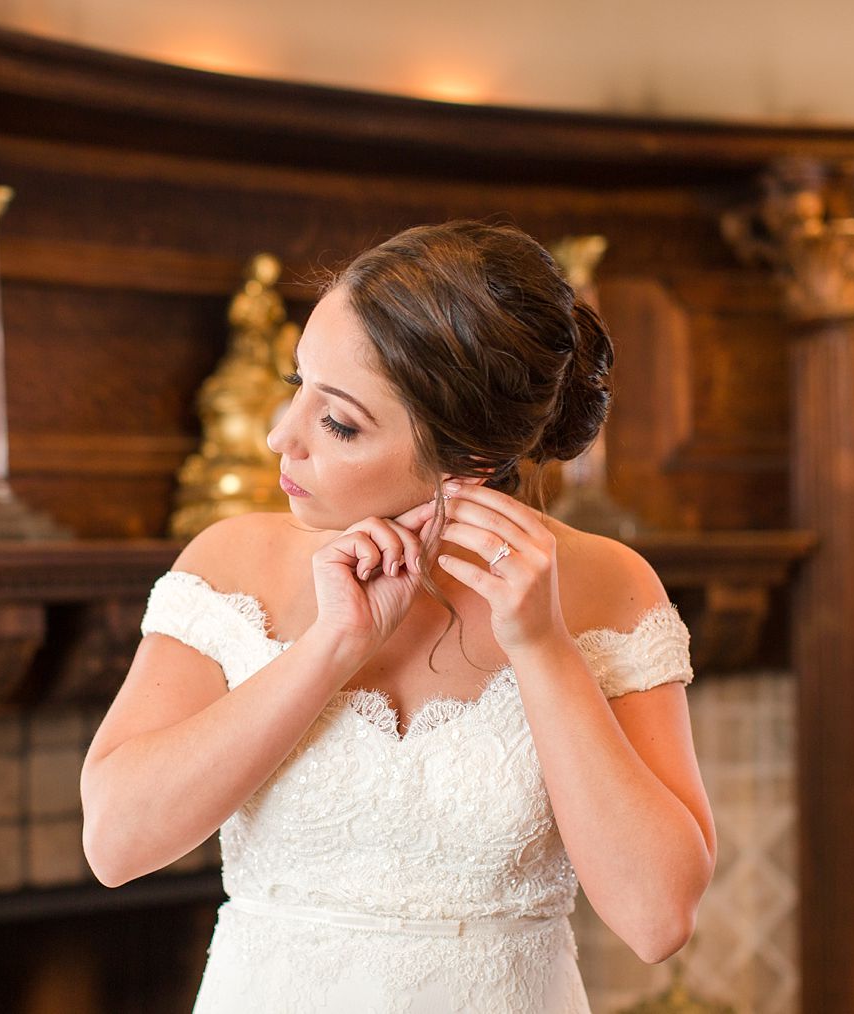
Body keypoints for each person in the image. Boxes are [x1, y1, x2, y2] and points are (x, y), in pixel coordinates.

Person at [80, 219, 717, 1012]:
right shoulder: (227, 565)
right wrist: (331, 646)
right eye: (296, 387)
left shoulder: (608, 587)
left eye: (338, 421)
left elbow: (658, 918)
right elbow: (115, 843)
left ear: (471, 462)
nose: (283, 438)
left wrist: (543, 648)